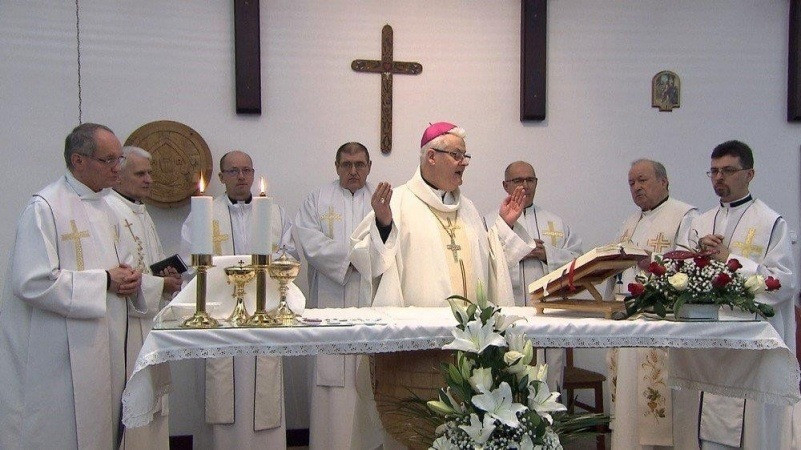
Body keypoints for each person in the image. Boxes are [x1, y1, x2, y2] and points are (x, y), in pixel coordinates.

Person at [0, 123, 144, 448]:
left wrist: (131, 280)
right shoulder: (45, 207)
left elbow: (122, 266)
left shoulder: (108, 208)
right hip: (58, 353)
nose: (117, 168)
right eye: (108, 160)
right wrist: (105, 280)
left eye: (119, 159)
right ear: (78, 161)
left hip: (104, 345)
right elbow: (32, 281)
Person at [674, 140, 797, 450]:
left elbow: (783, 283)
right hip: (708, 344)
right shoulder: (700, 222)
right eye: (714, 171)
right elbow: (680, 274)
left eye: (727, 170)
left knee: (752, 432)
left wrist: (732, 259)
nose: (719, 178)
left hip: (750, 347)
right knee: (703, 422)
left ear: (749, 174)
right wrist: (697, 256)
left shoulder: (771, 223)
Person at [179, 150, 296, 448]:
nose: (241, 176)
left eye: (247, 170)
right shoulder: (205, 213)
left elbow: (288, 254)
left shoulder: (274, 212)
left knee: (264, 383)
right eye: (233, 171)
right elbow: (190, 262)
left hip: (263, 312)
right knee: (219, 384)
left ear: (253, 174)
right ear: (221, 177)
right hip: (219, 315)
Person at [350, 121, 524, 307]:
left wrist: (505, 225)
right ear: (431, 157)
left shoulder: (468, 208)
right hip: (419, 323)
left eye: (465, 156)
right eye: (456, 155)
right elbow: (365, 261)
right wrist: (383, 226)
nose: (464, 162)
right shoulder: (397, 203)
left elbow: (489, 265)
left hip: (471, 323)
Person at [608, 159, 698, 449]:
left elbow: (691, 266)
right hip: (628, 319)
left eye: (642, 180)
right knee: (628, 403)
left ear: (664, 181)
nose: (636, 187)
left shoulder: (685, 216)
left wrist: (654, 262)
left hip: (660, 321)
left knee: (657, 402)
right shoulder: (629, 223)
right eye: (631, 182)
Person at [295, 142, 377, 449]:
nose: (353, 171)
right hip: (328, 298)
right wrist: (352, 259)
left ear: (369, 167)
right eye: (346, 164)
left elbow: (391, 239)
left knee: (369, 378)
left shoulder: (382, 200)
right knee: (329, 382)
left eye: (359, 164)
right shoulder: (317, 199)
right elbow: (309, 241)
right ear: (337, 166)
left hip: (369, 301)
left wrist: (363, 259)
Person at [106, 146, 182, 449]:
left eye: (149, 173)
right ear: (118, 175)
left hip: (149, 322)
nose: (149, 179)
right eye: (140, 174)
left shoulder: (140, 210)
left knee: (153, 405)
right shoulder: (110, 210)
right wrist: (159, 285)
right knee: (134, 402)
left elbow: (148, 263)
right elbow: (120, 273)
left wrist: (167, 277)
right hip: (126, 324)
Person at [490, 160, 583, 390]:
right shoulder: (491, 222)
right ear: (505, 185)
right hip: (509, 314)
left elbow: (579, 262)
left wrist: (547, 254)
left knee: (547, 381)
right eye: (518, 180)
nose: (525, 185)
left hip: (548, 316)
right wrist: (515, 251)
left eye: (530, 180)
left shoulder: (556, 223)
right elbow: (485, 261)